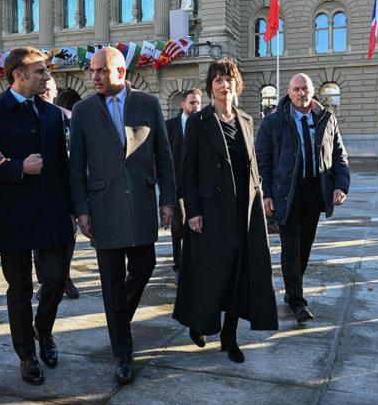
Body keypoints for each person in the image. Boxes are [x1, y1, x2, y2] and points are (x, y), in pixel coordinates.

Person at [0, 47, 75, 386]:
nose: (47, 77)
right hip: (12, 216)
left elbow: (63, 166)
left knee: (56, 280)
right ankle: (26, 354)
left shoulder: (54, 114)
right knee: (20, 289)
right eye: (41, 71)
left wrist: (74, 211)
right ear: (19, 74)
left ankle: (44, 331)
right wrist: (17, 167)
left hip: (53, 213)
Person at [69, 47, 175, 384]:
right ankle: (124, 353)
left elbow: (164, 156)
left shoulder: (148, 104)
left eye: (101, 71)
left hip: (141, 203)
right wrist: (81, 210)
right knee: (111, 283)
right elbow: (76, 167)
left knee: (144, 267)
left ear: (121, 73)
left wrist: (168, 199)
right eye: (92, 71)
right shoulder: (83, 110)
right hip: (103, 210)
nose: (94, 76)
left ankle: (118, 320)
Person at [173, 58, 278, 363]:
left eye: (228, 79)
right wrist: (191, 211)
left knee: (237, 275)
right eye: (218, 80)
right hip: (208, 212)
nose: (224, 85)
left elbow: (254, 167)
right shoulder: (198, 121)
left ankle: (229, 338)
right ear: (210, 87)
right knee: (208, 275)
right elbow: (187, 170)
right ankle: (199, 322)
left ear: (236, 84)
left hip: (242, 212)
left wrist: (260, 204)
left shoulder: (246, 120)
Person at [255, 73, 350, 324]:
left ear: (312, 91)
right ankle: (297, 300)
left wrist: (340, 185)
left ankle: (291, 289)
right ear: (289, 92)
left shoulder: (326, 119)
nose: (301, 93)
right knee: (290, 248)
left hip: (314, 193)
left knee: (304, 248)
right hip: (287, 194)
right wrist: (265, 194)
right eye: (296, 89)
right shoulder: (273, 122)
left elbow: (339, 156)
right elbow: (261, 163)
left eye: (305, 89)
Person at [34, 78, 80, 301]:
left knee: (68, 234)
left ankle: (64, 276)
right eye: (41, 89)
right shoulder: (30, 115)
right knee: (40, 237)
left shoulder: (67, 116)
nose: (44, 93)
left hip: (65, 184)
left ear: (55, 92)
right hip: (39, 185)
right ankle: (44, 282)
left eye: (48, 90)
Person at [165, 89, 202, 283]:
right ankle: (179, 265)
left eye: (197, 103)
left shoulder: (204, 125)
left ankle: (193, 264)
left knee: (195, 225)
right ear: (183, 104)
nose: (195, 106)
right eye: (192, 103)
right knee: (177, 226)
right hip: (176, 183)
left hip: (197, 184)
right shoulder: (170, 126)